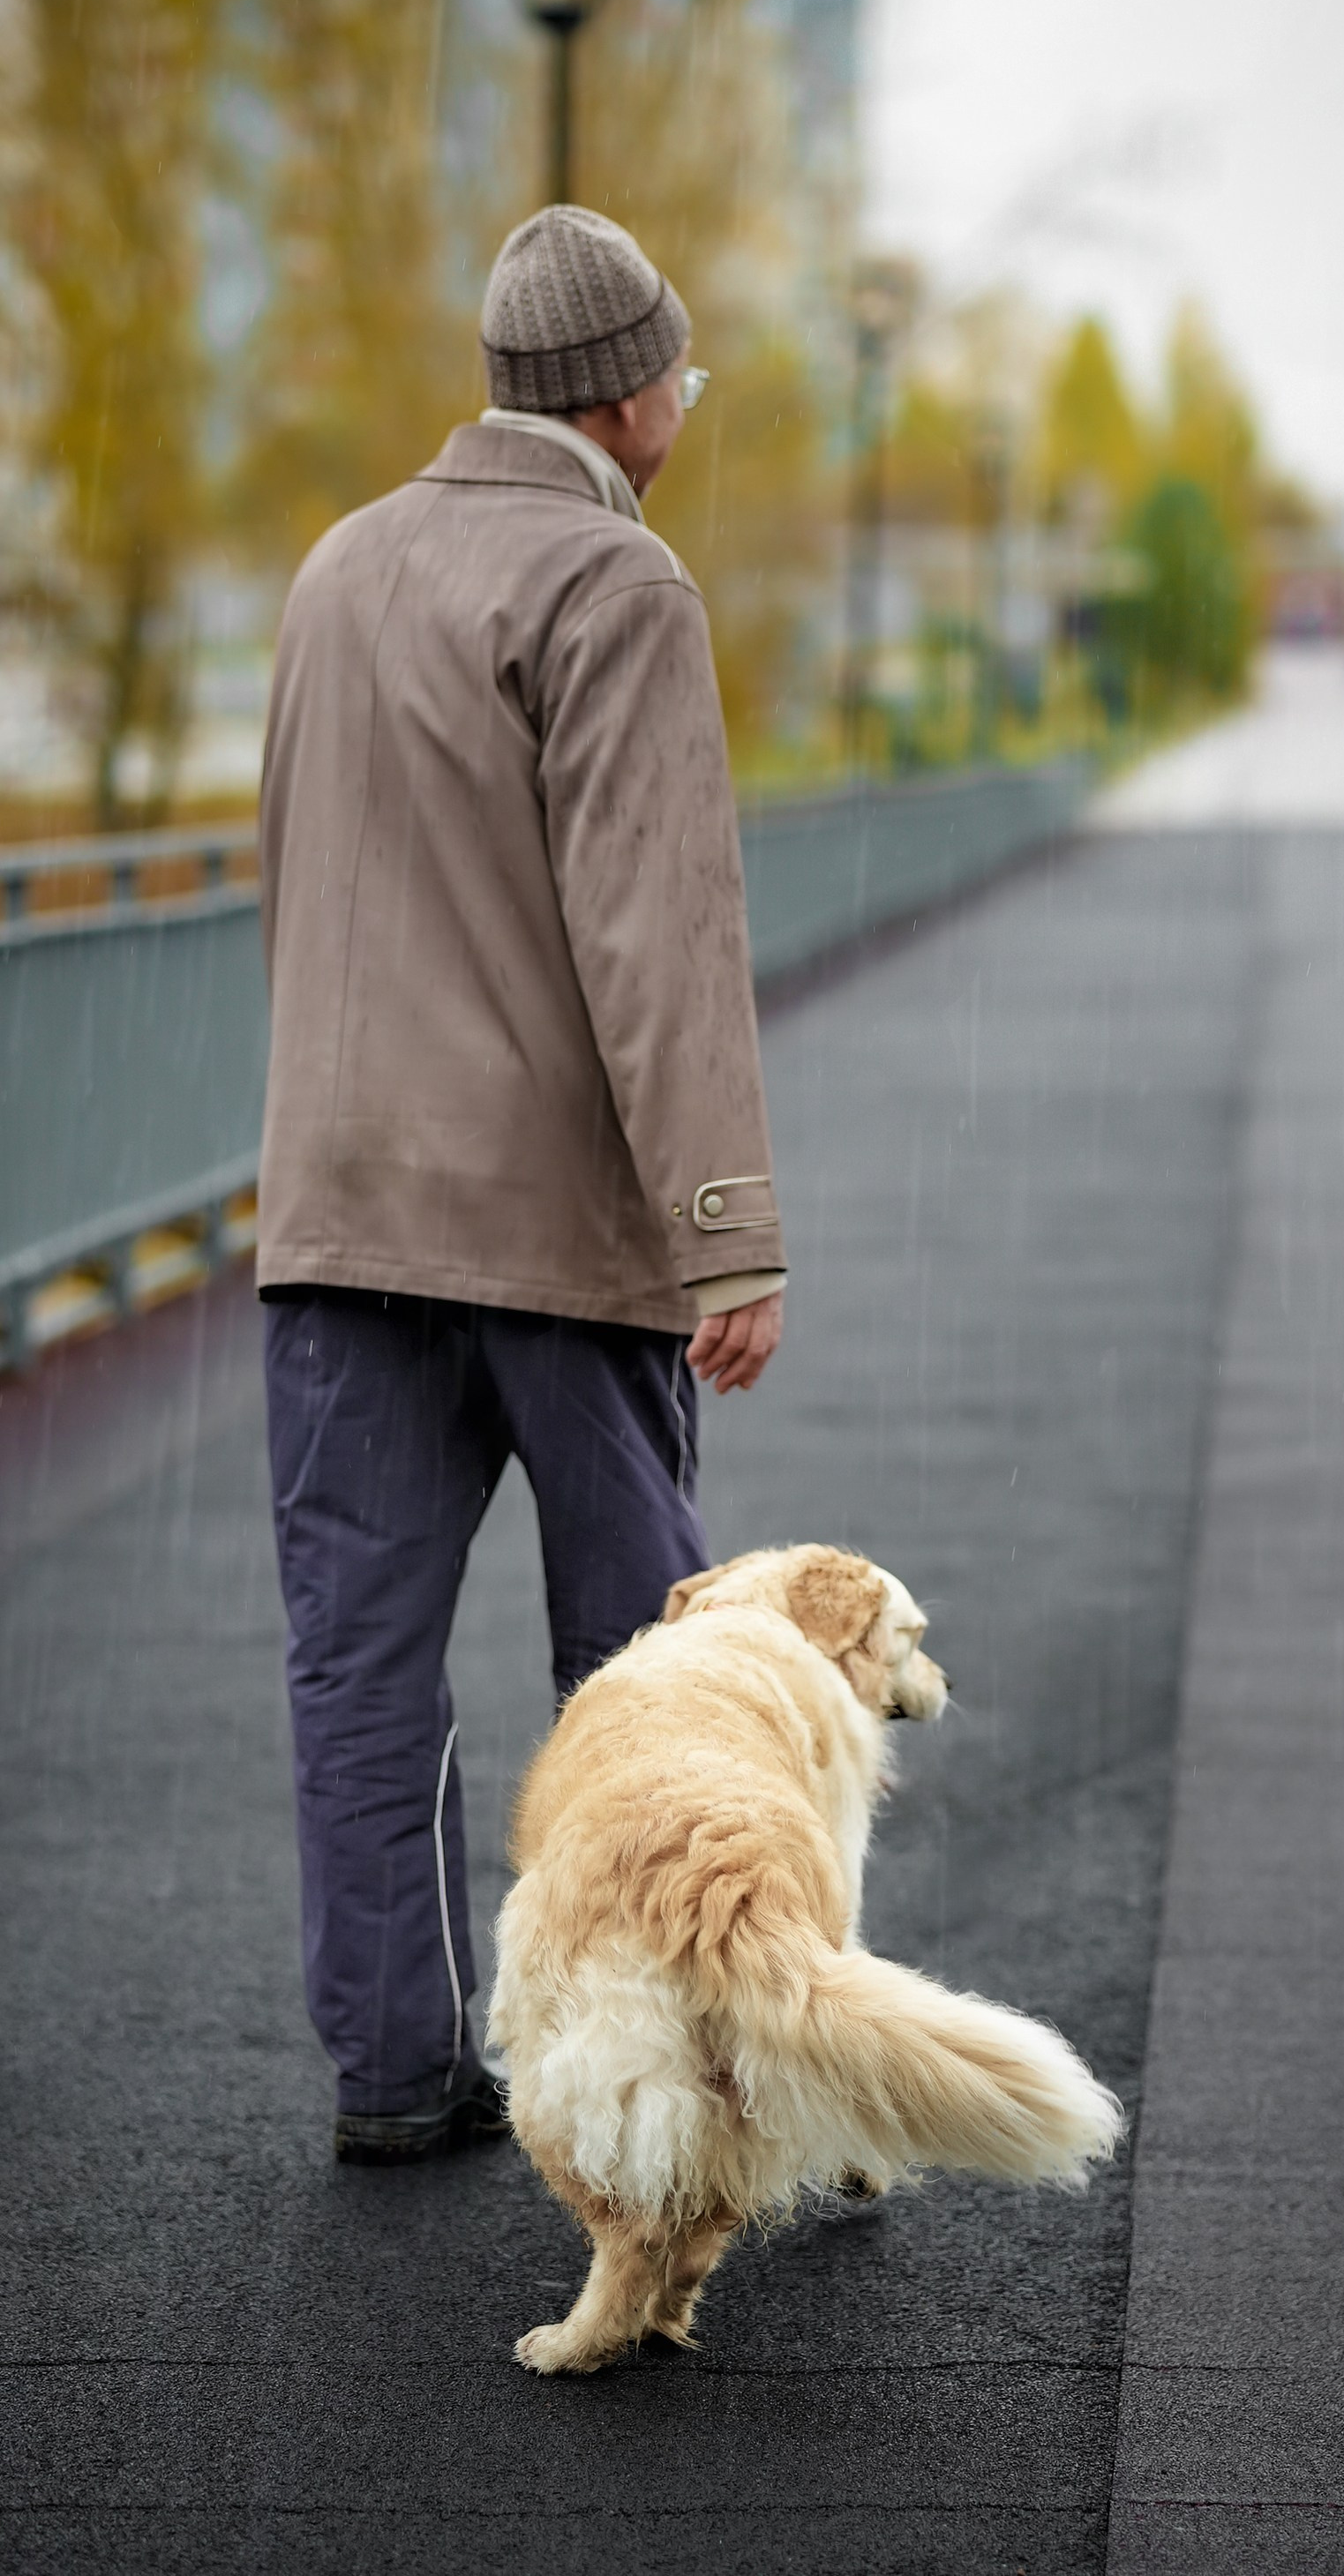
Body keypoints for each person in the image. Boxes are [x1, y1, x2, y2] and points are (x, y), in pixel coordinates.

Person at [255, 206, 787, 2162]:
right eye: (685, 381)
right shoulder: (615, 580)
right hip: (558, 1235)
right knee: (645, 1676)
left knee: (362, 1665)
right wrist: (722, 1224)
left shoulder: (339, 567)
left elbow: (302, 883)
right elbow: (661, 935)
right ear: (631, 393)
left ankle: (397, 2064)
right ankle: (696, 2081)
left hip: (336, 1222)